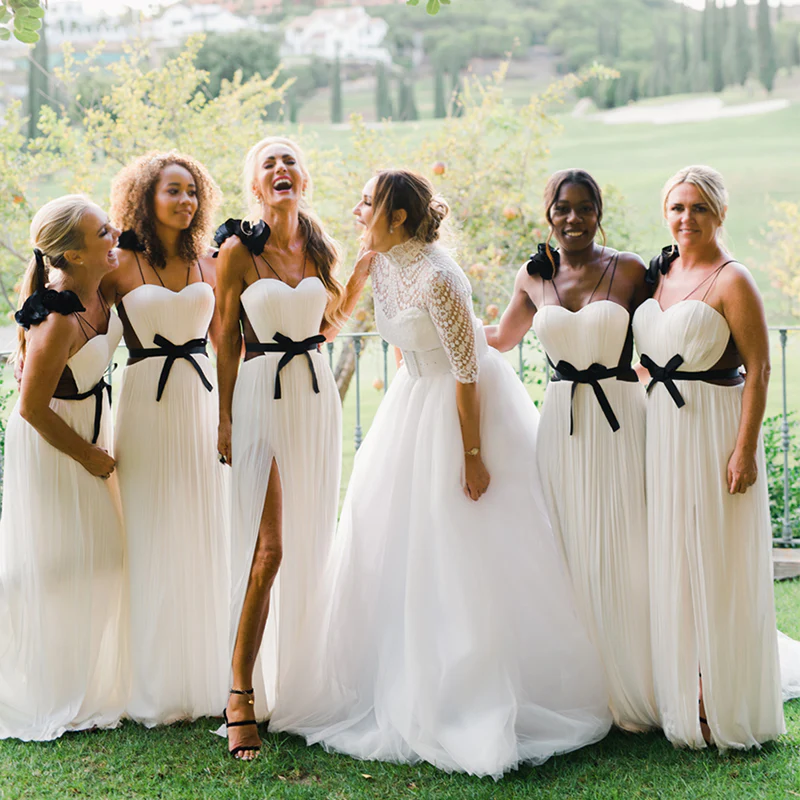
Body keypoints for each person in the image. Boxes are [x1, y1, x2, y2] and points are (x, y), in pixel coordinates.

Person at [269, 169, 612, 779]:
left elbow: (468, 371)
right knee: (392, 542)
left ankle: (475, 685)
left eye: (368, 203)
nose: (357, 210)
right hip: (413, 405)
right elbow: (400, 346)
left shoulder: (439, 274)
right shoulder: (383, 263)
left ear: (397, 216)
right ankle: (398, 675)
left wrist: (472, 455)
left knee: (466, 547)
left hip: (464, 415)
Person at [485, 169, 659, 732]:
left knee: (628, 541)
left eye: (585, 208)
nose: (574, 219)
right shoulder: (534, 277)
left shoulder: (630, 269)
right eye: (563, 208)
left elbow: (667, 330)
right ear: (549, 215)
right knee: (567, 543)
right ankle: (584, 683)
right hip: (560, 425)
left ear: (599, 211)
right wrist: (434, 329)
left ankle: (641, 675)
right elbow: (501, 339)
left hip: (620, 418)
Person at [632, 165, 784, 749]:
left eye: (697, 208)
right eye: (676, 207)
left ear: (718, 212)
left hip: (716, 431)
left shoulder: (732, 278)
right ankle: (681, 688)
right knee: (673, 555)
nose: (685, 218)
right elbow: (655, 347)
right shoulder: (662, 273)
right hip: (664, 430)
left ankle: (722, 698)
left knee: (716, 561)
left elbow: (760, 369)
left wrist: (744, 449)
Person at [215, 136, 355, 760]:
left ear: (304, 177)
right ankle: (239, 693)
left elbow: (328, 322)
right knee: (269, 547)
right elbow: (223, 337)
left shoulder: (322, 245)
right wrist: (223, 418)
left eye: (290, 159)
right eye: (268, 162)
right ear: (254, 184)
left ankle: (301, 681)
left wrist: (368, 267)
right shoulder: (237, 251)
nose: (280, 168)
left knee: (311, 537)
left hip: (315, 394)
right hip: (259, 397)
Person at [104, 152, 229, 726]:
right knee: (151, 532)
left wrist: (230, 413)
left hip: (200, 402)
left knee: (202, 526)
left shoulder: (211, 261)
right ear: (146, 199)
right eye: (172, 191)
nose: (185, 202)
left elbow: (232, 339)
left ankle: (206, 673)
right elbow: (72, 307)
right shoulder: (119, 262)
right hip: (147, 404)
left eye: (192, 192)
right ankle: (153, 682)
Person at [0, 195, 127, 740]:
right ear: (72, 255)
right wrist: (90, 456)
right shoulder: (56, 318)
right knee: (59, 558)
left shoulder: (102, 290)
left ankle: (93, 674)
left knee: (104, 555)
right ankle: (46, 684)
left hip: (90, 426)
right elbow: (29, 409)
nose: (115, 234)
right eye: (104, 231)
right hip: (56, 441)